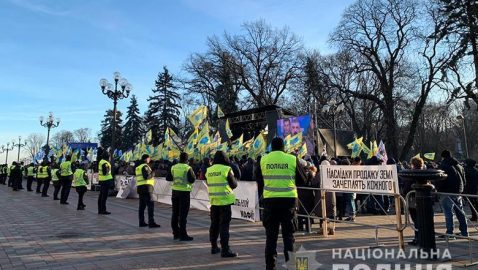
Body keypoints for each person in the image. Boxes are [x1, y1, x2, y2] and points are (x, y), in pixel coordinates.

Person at [257, 137, 306, 270]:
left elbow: (258, 180)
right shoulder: (291, 159)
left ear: (271, 147)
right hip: (288, 202)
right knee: (288, 237)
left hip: (270, 202)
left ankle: (270, 267)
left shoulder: (263, 159)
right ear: (283, 147)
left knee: (271, 238)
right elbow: (303, 180)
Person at [205, 151, 238, 258]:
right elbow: (234, 184)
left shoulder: (209, 170)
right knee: (224, 226)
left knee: (214, 225)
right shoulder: (226, 169)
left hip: (214, 202)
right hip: (225, 202)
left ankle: (214, 247)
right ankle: (225, 250)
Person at [436, 150, 468, 238]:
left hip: (447, 191)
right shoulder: (458, 165)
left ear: (443, 157)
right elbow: (463, 178)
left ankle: (450, 232)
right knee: (460, 212)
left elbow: (441, 180)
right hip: (458, 191)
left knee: (448, 213)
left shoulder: (443, 166)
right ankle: (464, 232)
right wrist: (462, 189)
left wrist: (438, 189)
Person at [167, 152, 196, 240]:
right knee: (183, 215)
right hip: (184, 192)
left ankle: (176, 233)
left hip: (175, 191)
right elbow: (192, 179)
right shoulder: (187, 168)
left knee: (175, 213)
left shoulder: (173, 167)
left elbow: (168, 178)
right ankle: (183, 235)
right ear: (187, 160)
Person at [135, 154, 160, 228]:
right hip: (147, 188)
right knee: (150, 205)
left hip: (140, 187)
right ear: (146, 159)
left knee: (142, 206)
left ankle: (141, 222)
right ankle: (151, 222)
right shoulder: (145, 166)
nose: (149, 159)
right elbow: (146, 176)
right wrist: (152, 173)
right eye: (149, 158)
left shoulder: (138, 167)